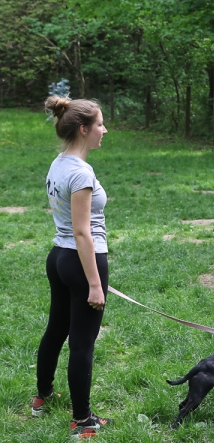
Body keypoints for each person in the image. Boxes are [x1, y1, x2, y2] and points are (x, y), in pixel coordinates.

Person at [35, 96, 112, 438]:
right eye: (99, 124)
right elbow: (82, 232)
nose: (104, 130)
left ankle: (43, 396)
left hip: (59, 258)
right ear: (83, 129)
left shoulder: (59, 163)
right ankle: (82, 420)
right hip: (82, 260)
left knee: (57, 329)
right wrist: (95, 284)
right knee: (83, 342)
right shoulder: (81, 173)